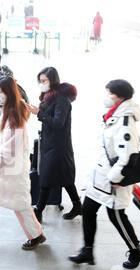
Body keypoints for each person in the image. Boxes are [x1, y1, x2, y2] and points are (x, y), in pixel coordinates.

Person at [68, 79, 140, 269]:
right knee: (88, 210)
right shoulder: (114, 115)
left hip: (114, 181)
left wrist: (115, 178)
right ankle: (87, 251)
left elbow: (128, 155)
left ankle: (136, 250)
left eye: (109, 94)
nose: (106, 97)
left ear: (120, 97)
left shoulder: (125, 121)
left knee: (116, 216)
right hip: (101, 177)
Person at [0, 76, 45, 250]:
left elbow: (9, 152)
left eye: (0, 91)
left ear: (9, 93)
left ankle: (36, 235)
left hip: (11, 172)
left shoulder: (15, 118)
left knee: (20, 204)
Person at [26, 67, 82, 222]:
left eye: (44, 81)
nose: (41, 84)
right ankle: (77, 205)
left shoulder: (61, 99)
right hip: (50, 143)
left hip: (58, 146)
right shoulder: (49, 96)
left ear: (53, 80)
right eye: (40, 81)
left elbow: (58, 123)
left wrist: (39, 113)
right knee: (64, 177)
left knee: (46, 177)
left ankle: (39, 209)